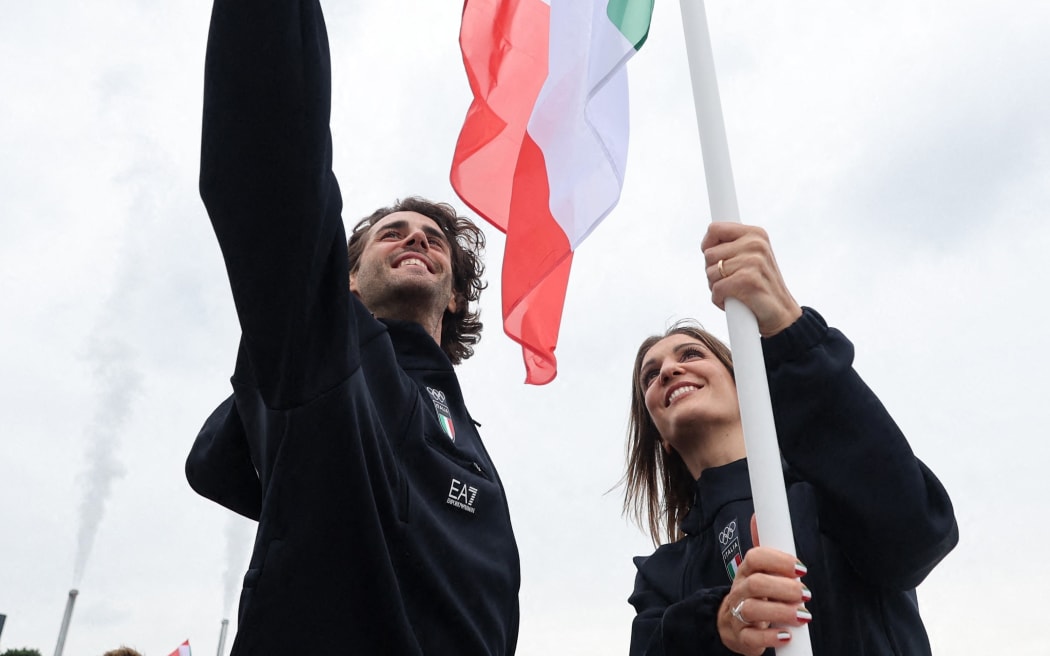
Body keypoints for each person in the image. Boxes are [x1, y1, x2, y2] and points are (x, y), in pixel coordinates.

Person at [183, 1, 519, 654]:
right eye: (391, 233)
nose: (416, 238)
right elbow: (272, 171)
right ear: (347, 278)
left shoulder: (467, 436)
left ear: (454, 297)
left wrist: (324, 502)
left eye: (434, 239)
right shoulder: (338, 362)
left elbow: (212, 464)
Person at [623, 222, 958, 655]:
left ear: (746, 385)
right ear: (661, 437)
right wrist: (719, 627)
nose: (669, 371)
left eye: (691, 355)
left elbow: (918, 534)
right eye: (651, 375)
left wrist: (785, 323)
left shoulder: (829, 486)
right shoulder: (661, 577)